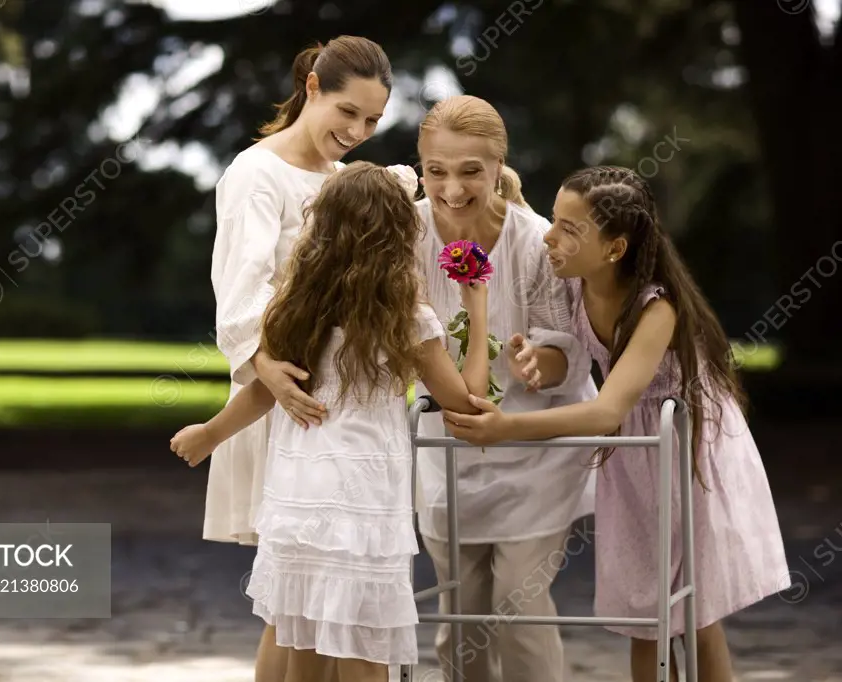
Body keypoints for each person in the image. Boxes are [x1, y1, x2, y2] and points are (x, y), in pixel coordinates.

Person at [441, 166, 790, 682]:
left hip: (684, 445)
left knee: (690, 607)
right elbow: (568, 354)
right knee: (643, 606)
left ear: (614, 248)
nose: (550, 236)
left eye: (569, 228)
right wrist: (536, 357)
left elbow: (608, 409)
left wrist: (505, 428)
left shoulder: (656, 307)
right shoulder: (575, 288)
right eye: (554, 220)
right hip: (634, 450)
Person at [171, 161, 493, 682]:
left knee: (304, 645)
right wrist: (477, 312)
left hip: (299, 494)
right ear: (397, 235)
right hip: (362, 503)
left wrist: (210, 433)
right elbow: (463, 398)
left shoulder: (298, 306)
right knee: (364, 651)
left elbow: (267, 391)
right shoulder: (405, 314)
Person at [204, 35, 392, 682]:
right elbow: (240, 286)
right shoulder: (256, 174)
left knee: (306, 608)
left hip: (338, 408)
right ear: (312, 87)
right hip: (286, 397)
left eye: (372, 121)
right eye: (348, 112)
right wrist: (266, 367)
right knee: (296, 604)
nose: (358, 131)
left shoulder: (345, 182)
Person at [395, 95, 597, 682]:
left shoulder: (535, 241)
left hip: (532, 454)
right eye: (436, 171)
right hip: (445, 446)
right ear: (421, 165)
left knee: (518, 607)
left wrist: (540, 363)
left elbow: (569, 349)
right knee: (459, 616)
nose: (451, 188)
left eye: (470, 172)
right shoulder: (403, 235)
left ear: (497, 166)